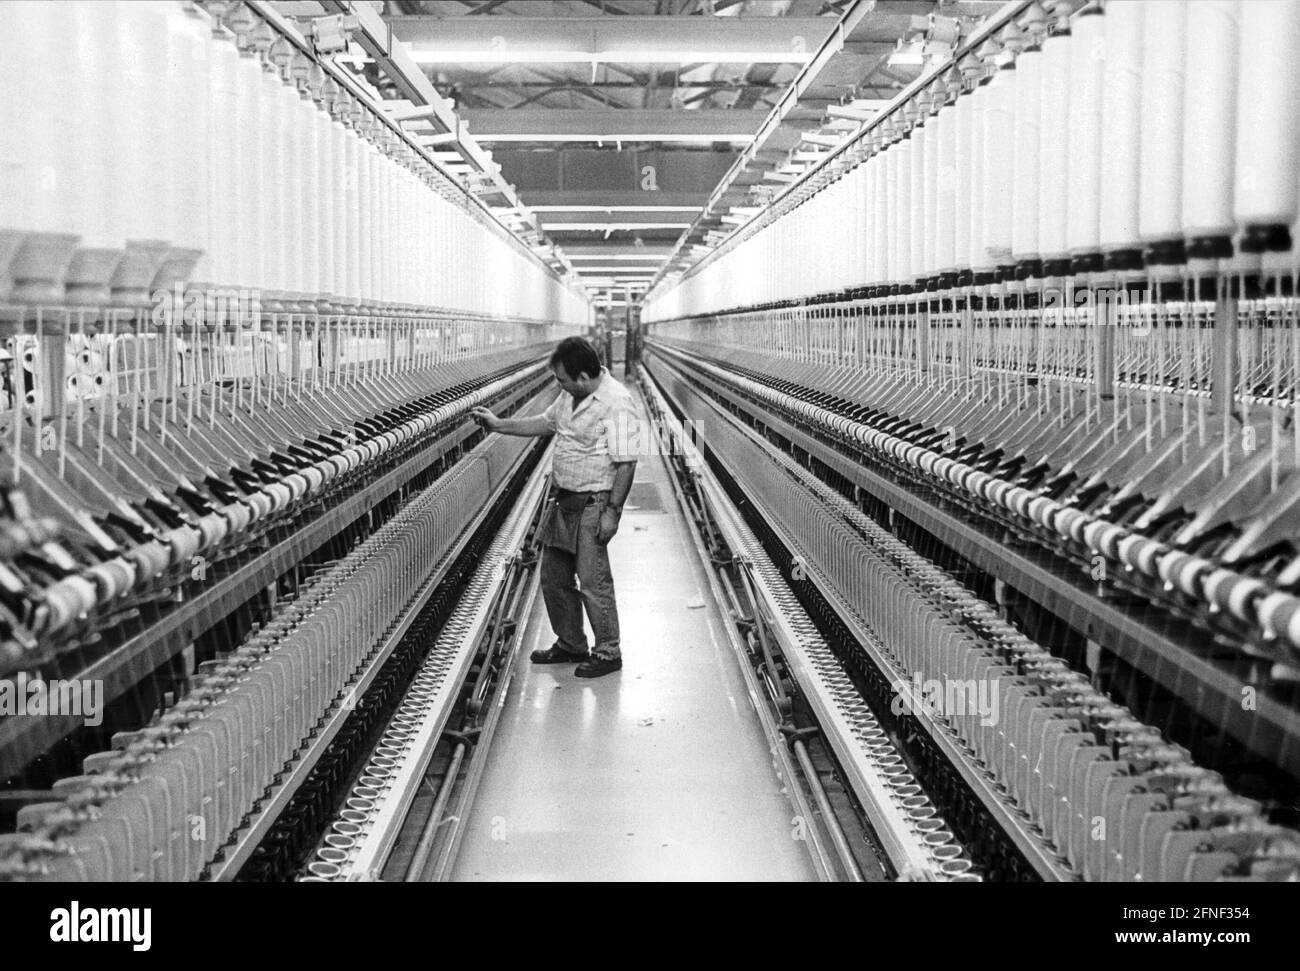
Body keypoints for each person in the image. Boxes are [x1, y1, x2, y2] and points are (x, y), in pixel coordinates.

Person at [470, 337, 638, 679]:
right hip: (564, 500)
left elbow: (626, 464)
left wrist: (613, 513)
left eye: (562, 379)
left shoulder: (616, 402)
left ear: (582, 376)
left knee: (594, 582)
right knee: (554, 577)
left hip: (594, 503)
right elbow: (546, 424)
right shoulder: (571, 395)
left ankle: (608, 652)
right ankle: (571, 642)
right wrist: (499, 424)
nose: (558, 384)